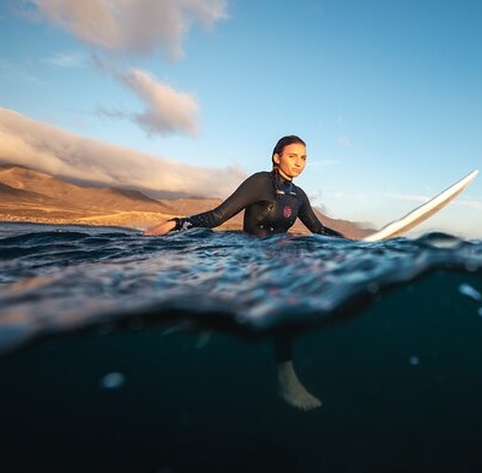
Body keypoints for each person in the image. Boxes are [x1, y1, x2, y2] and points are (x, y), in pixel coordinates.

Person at [145, 135, 345, 411]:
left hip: (276, 260)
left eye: (304, 158)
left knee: (281, 302)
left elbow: (319, 230)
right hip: (247, 255)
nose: (299, 163)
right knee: (276, 306)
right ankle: (284, 379)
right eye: (292, 156)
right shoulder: (259, 182)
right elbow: (218, 216)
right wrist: (177, 223)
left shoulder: (299, 196)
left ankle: (210, 323)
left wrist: (352, 244)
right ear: (277, 157)